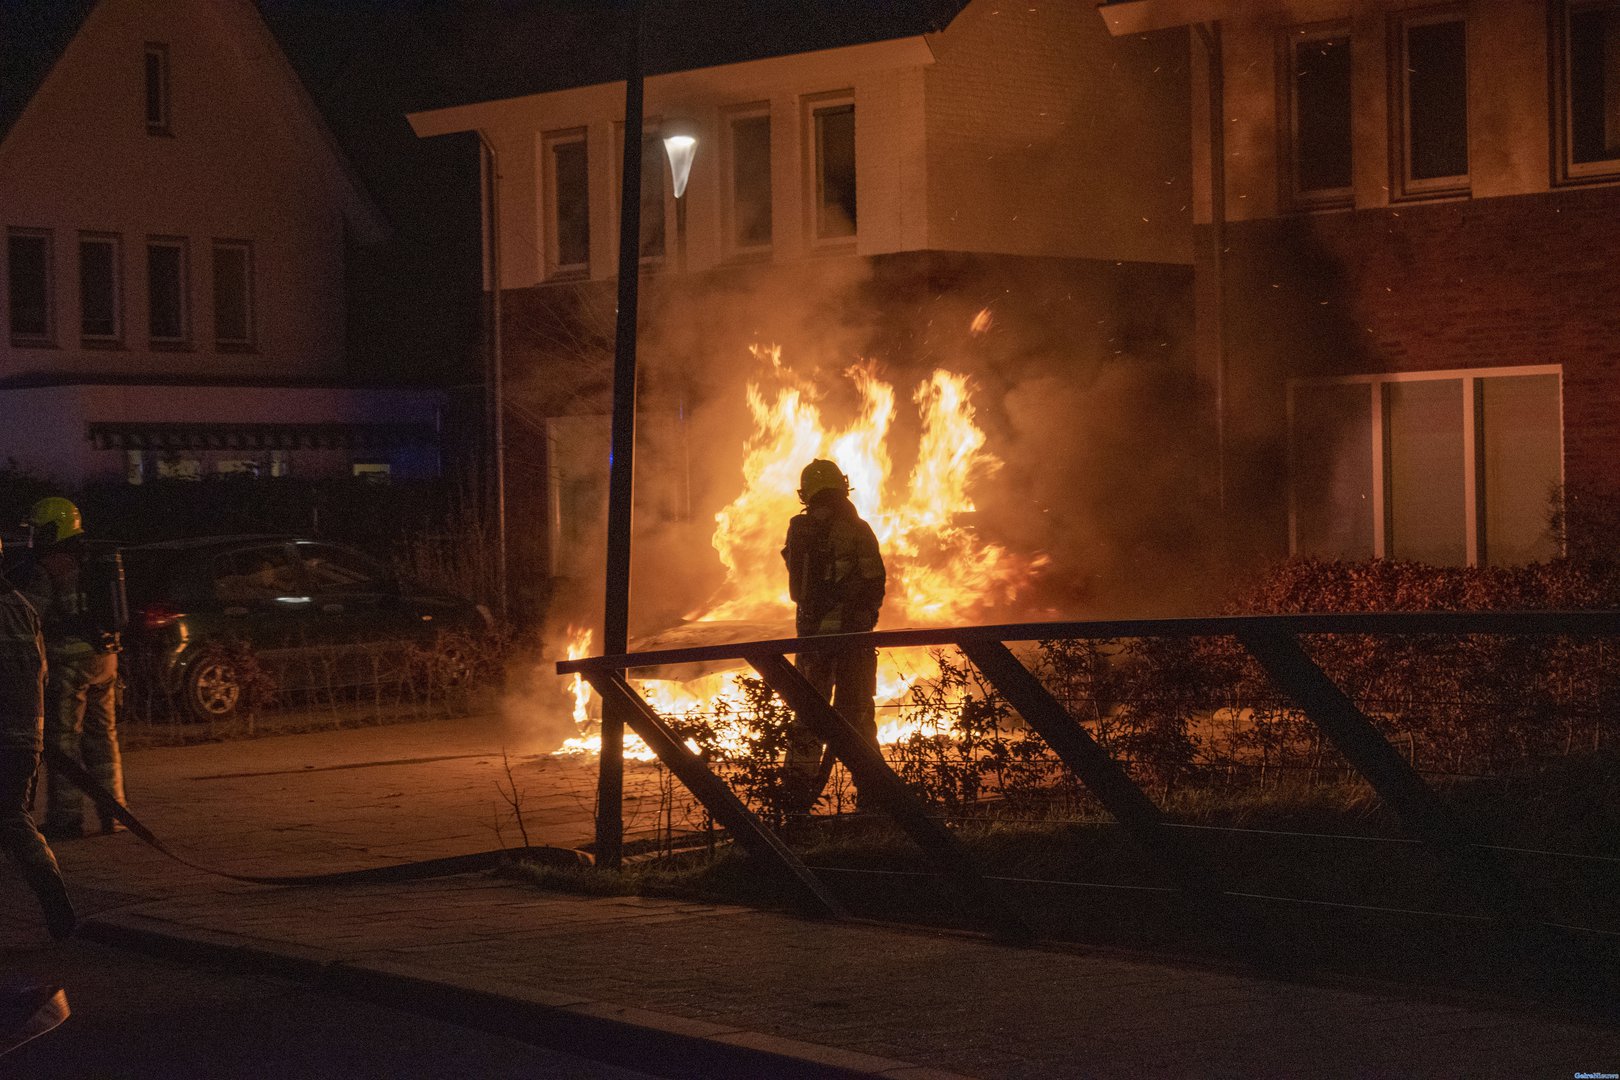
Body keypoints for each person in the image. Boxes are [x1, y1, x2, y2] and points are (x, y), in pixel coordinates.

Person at [780, 459, 886, 810]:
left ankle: (794, 801)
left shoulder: (799, 530)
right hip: (852, 644)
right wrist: (862, 618)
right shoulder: (858, 530)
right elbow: (874, 583)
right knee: (857, 717)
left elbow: (798, 588)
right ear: (843, 487)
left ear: (805, 492)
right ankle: (875, 798)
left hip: (811, 644)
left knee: (808, 718)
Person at [16, 497, 124, 840]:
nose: (34, 539)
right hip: (105, 658)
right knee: (104, 737)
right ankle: (114, 814)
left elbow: (32, 615)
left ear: (53, 529)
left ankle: (67, 817)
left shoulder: (49, 566)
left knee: (63, 741)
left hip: (68, 662)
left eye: (38, 531)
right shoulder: (91, 560)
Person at [0, 535, 76, 939]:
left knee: (10, 818)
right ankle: (55, 901)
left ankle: (55, 902)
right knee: (13, 818)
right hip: (26, 738)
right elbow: (41, 673)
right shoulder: (24, 609)